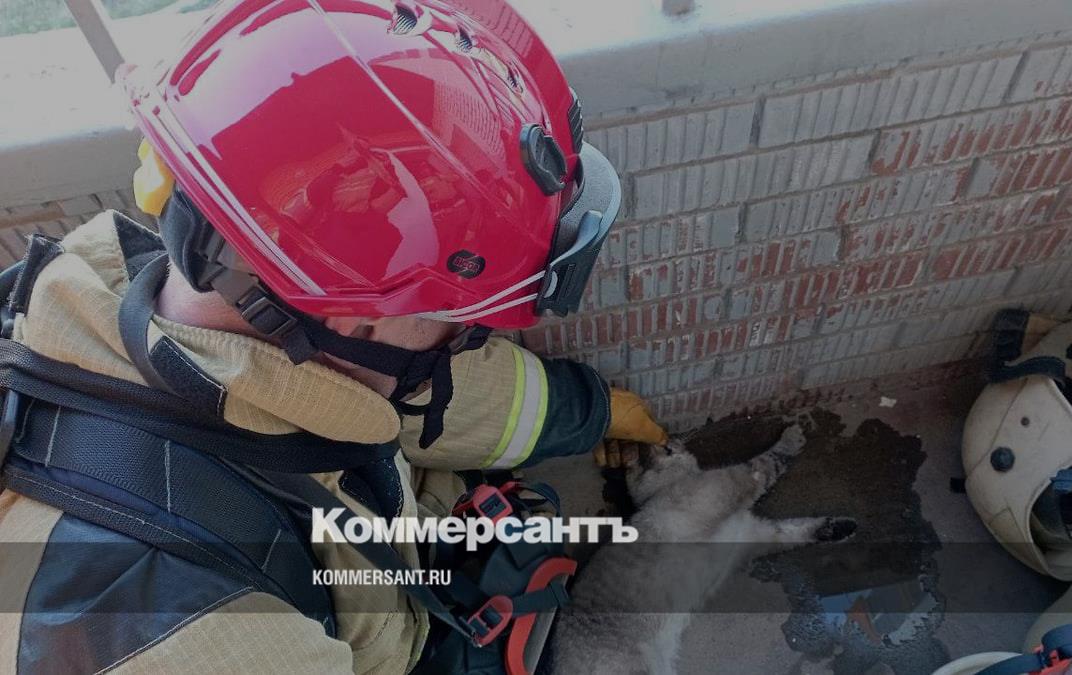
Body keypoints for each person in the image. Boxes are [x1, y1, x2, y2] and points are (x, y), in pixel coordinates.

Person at [0, 0, 665, 672]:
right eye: (462, 325)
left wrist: (592, 410)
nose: (463, 342)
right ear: (357, 318)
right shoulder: (183, 636)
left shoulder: (161, 304)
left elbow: (419, 391)